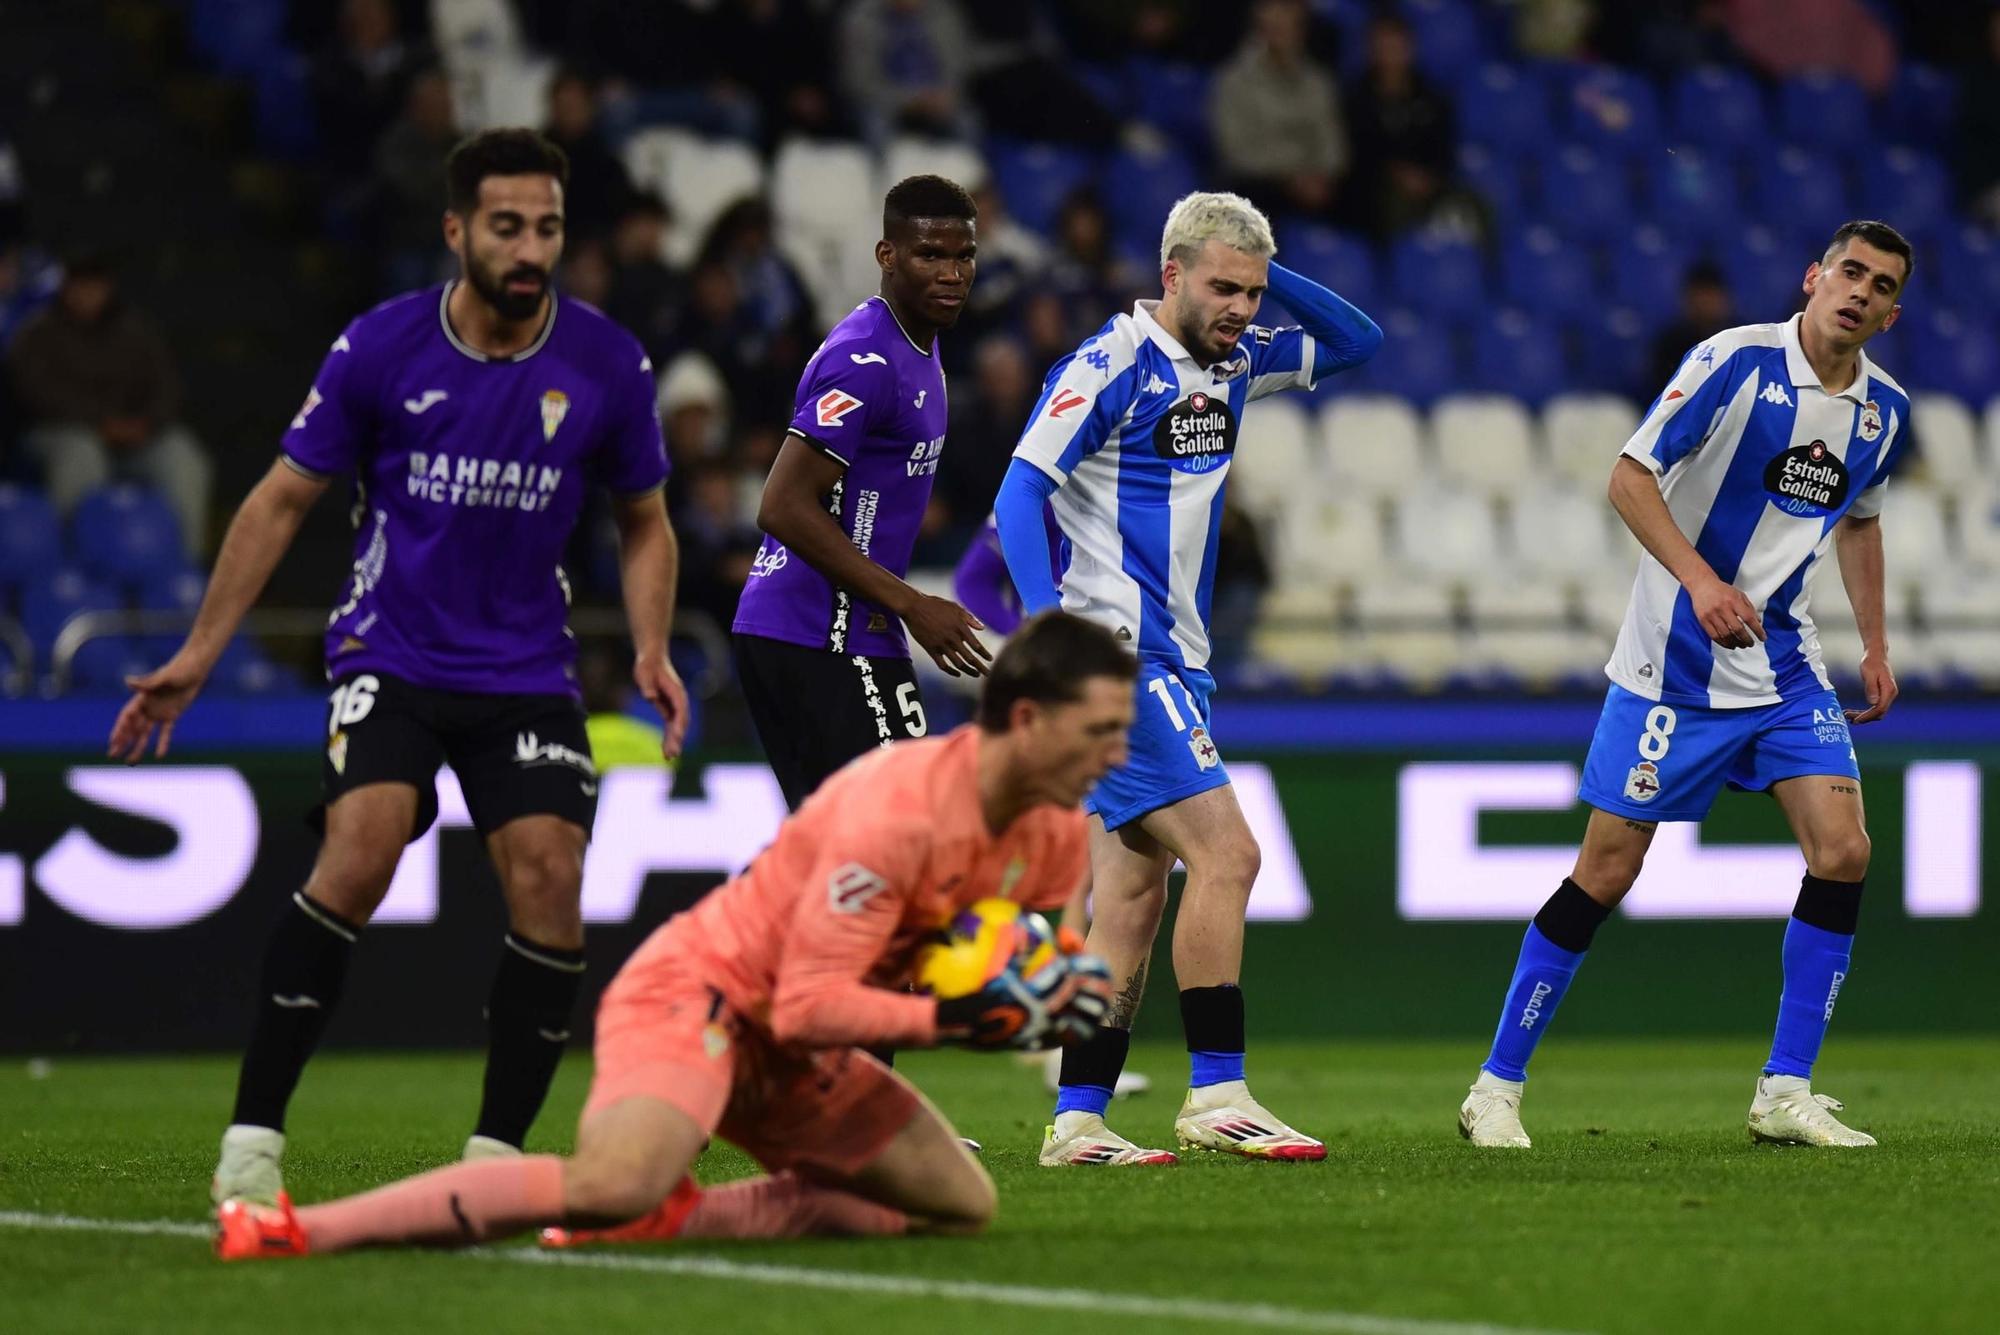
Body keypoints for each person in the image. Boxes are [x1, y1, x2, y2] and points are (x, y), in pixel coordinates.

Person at [108, 128, 690, 1206]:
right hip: (394, 651)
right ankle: (252, 1141)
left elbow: (644, 520)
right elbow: (282, 498)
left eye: (548, 228)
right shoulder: (379, 347)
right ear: (456, 230)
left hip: (525, 668)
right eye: (507, 226)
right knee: (363, 847)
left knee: (553, 875)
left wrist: (649, 645)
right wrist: (198, 653)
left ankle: (497, 1160)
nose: (529, 250)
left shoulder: (607, 362)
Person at [214, 611, 1129, 1261]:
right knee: (610, 1181)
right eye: (1102, 729)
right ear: (1025, 719)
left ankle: (680, 1218)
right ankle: (300, 1228)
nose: (1117, 752)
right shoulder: (895, 803)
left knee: (957, 1204)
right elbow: (815, 1003)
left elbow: (1024, 961)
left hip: (797, 1038)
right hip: (707, 995)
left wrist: (1056, 993)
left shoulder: (1051, 828)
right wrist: (965, 1017)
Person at [1458, 220, 1915, 1150]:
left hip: (1786, 660)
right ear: (1814, 275)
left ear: (1893, 313)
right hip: (1677, 661)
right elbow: (1630, 476)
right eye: (1850, 271)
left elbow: (1858, 522)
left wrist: (1874, 642)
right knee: (1607, 869)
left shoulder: (1883, 413)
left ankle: (1785, 1090)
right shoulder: (1734, 362)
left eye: (1880, 284)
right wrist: (1701, 582)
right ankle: (1496, 1085)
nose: (1859, 291)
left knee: (1844, 850)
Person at [994, 190, 1381, 1164]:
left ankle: (1075, 1120)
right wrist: (1046, 629)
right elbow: (1017, 492)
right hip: (1119, 660)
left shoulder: (1235, 359)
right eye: (1220, 287)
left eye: (1252, 293)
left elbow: (1357, 340)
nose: (1242, 310)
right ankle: (1217, 1094)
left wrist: (1260, 265)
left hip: (1179, 661)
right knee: (1230, 857)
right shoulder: (1109, 363)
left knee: (1129, 898)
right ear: (1167, 275)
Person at [732, 175, 989, 811]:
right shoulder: (865, 360)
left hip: (849, 631)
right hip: (818, 632)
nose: (952, 273)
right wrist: (912, 605)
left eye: (963, 256)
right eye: (931, 255)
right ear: (887, 255)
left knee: (853, 858)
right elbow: (782, 505)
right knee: (895, 844)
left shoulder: (916, 346)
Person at [7, 253, 213, 555]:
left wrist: (148, 423)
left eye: (95, 285)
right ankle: (71, 563)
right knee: (81, 454)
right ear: (66, 286)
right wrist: (100, 423)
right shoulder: (39, 331)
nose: (87, 294)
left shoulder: (136, 329)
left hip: (135, 436)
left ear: (108, 286)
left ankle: (185, 567)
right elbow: (35, 393)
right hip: (61, 434)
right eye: (79, 285)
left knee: (182, 456)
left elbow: (167, 385)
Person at [1209, 0, 1348, 220]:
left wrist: (1318, 176)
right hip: (1260, 187)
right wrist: (1291, 176)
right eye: (1272, 28)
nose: (1280, 36)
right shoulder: (1234, 81)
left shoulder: (1317, 81)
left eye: (1288, 27)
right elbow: (1236, 153)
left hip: (1315, 187)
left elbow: (1333, 145)